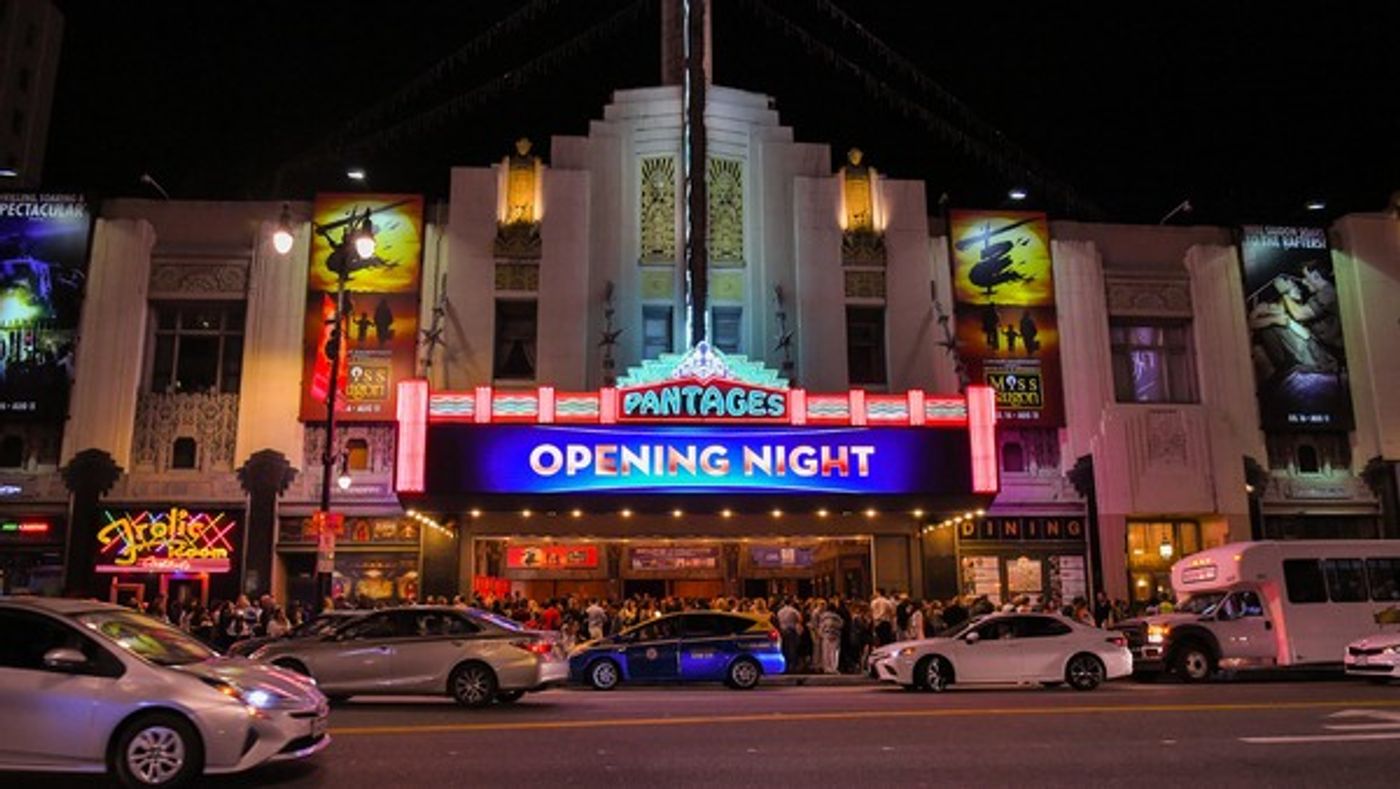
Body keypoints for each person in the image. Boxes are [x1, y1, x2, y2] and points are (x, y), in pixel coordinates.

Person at [776, 597, 801, 671]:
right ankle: (792, 666)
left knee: (784, 649)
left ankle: (785, 666)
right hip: (791, 631)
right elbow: (800, 619)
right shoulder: (794, 611)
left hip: (782, 631)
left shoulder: (780, 611)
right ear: (791, 603)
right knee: (792, 649)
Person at [818, 603, 843, 674]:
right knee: (834, 652)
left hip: (826, 634)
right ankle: (833, 667)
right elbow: (841, 625)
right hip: (835, 634)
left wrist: (821, 634)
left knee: (826, 651)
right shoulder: (837, 618)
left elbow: (821, 627)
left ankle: (826, 667)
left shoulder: (823, 617)